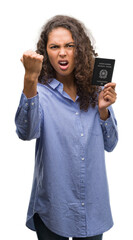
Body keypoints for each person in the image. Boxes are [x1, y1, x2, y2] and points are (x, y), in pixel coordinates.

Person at [15, 15, 118, 240]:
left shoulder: (96, 91)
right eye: (55, 46)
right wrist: (29, 81)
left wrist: (103, 111)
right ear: (46, 53)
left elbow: (111, 144)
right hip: (53, 208)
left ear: (79, 50)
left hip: (92, 206)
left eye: (69, 46)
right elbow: (26, 133)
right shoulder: (39, 93)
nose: (62, 52)